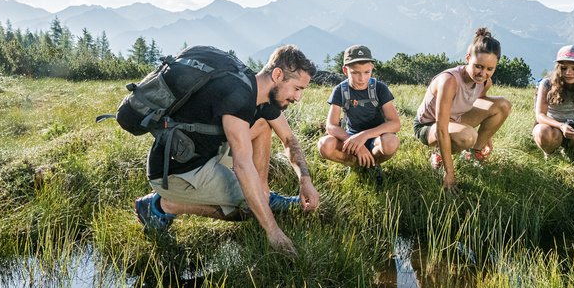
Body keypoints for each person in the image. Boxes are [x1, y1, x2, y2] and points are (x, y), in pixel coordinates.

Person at [134, 45, 321, 256]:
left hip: (204, 152)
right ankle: (160, 206)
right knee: (250, 210)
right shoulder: (238, 96)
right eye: (297, 89)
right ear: (278, 75)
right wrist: (273, 231)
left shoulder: (258, 91)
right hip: (177, 172)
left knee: (262, 124)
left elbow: (289, 140)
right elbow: (242, 165)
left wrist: (305, 179)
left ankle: (264, 194)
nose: (298, 98)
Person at [414, 28, 512, 190]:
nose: (483, 73)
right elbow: (441, 128)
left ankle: (474, 154)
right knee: (467, 136)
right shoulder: (449, 81)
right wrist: (449, 172)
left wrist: (487, 137)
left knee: (503, 105)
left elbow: (479, 103)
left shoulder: (485, 82)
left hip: (456, 118)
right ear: (467, 58)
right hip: (429, 126)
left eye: (490, 69)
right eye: (478, 66)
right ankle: (439, 155)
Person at [316, 45, 401, 186]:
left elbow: (395, 124)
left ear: (372, 68)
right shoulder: (340, 90)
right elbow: (331, 126)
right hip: (350, 139)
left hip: (376, 139)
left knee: (391, 142)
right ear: (345, 70)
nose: (362, 78)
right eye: (355, 73)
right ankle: (355, 164)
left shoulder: (380, 88)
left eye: (367, 72)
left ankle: (373, 164)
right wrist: (357, 145)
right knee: (324, 144)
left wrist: (364, 136)